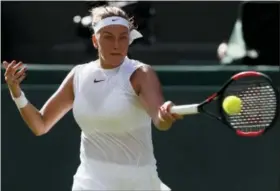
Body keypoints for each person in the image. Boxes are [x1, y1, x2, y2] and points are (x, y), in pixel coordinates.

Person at [3, 6, 182, 191]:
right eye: (108, 37)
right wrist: (16, 92)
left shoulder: (141, 74)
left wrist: (165, 115)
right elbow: (40, 125)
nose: (116, 45)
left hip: (139, 183)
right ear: (95, 41)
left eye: (123, 37)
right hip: (90, 182)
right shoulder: (79, 75)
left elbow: (160, 121)